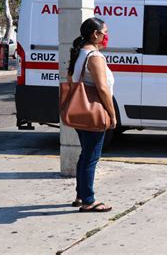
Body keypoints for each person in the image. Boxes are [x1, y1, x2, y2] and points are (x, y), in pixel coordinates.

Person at [67, 17, 117, 212]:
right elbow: (103, 89)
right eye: (105, 33)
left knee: (86, 154)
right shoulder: (95, 57)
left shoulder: (80, 53)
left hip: (81, 110)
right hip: (94, 112)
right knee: (91, 157)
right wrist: (112, 114)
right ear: (95, 34)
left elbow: (71, 78)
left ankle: (81, 195)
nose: (106, 37)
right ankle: (88, 200)